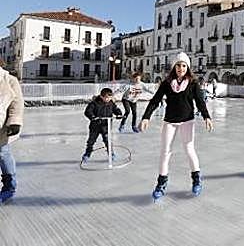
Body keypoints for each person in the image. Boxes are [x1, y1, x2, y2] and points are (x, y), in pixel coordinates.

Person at [140, 52, 213, 200]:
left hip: (187, 121)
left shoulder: (193, 83)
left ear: (188, 67)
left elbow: (200, 102)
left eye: (184, 65)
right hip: (170, 121)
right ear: (174, 67)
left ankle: (196, 179)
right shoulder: (167, 83)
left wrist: (206, 116)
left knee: (189, 149)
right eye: (178, 65)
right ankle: (161, 184)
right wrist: (146, 117)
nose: (181, 68)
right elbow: (155, 101)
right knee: (165, 152)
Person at [0, 63, 24, 203]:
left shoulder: (9, 80)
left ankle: (9, 186)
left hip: (1, 128)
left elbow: (17, 103)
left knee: (3, 154)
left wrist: (14, 121)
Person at [82, 88, 123, 164]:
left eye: (110, 97)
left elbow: (115, 109)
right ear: (101, 96)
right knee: (91, 141)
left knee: (108, 141)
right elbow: (88, 112)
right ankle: (87, 154)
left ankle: (111, 153)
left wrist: (119, 114)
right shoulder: (94, 103)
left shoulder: (111, 103)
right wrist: (92, 117)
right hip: (95, 126)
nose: (108, 99)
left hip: (106, 126)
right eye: (107, 97)